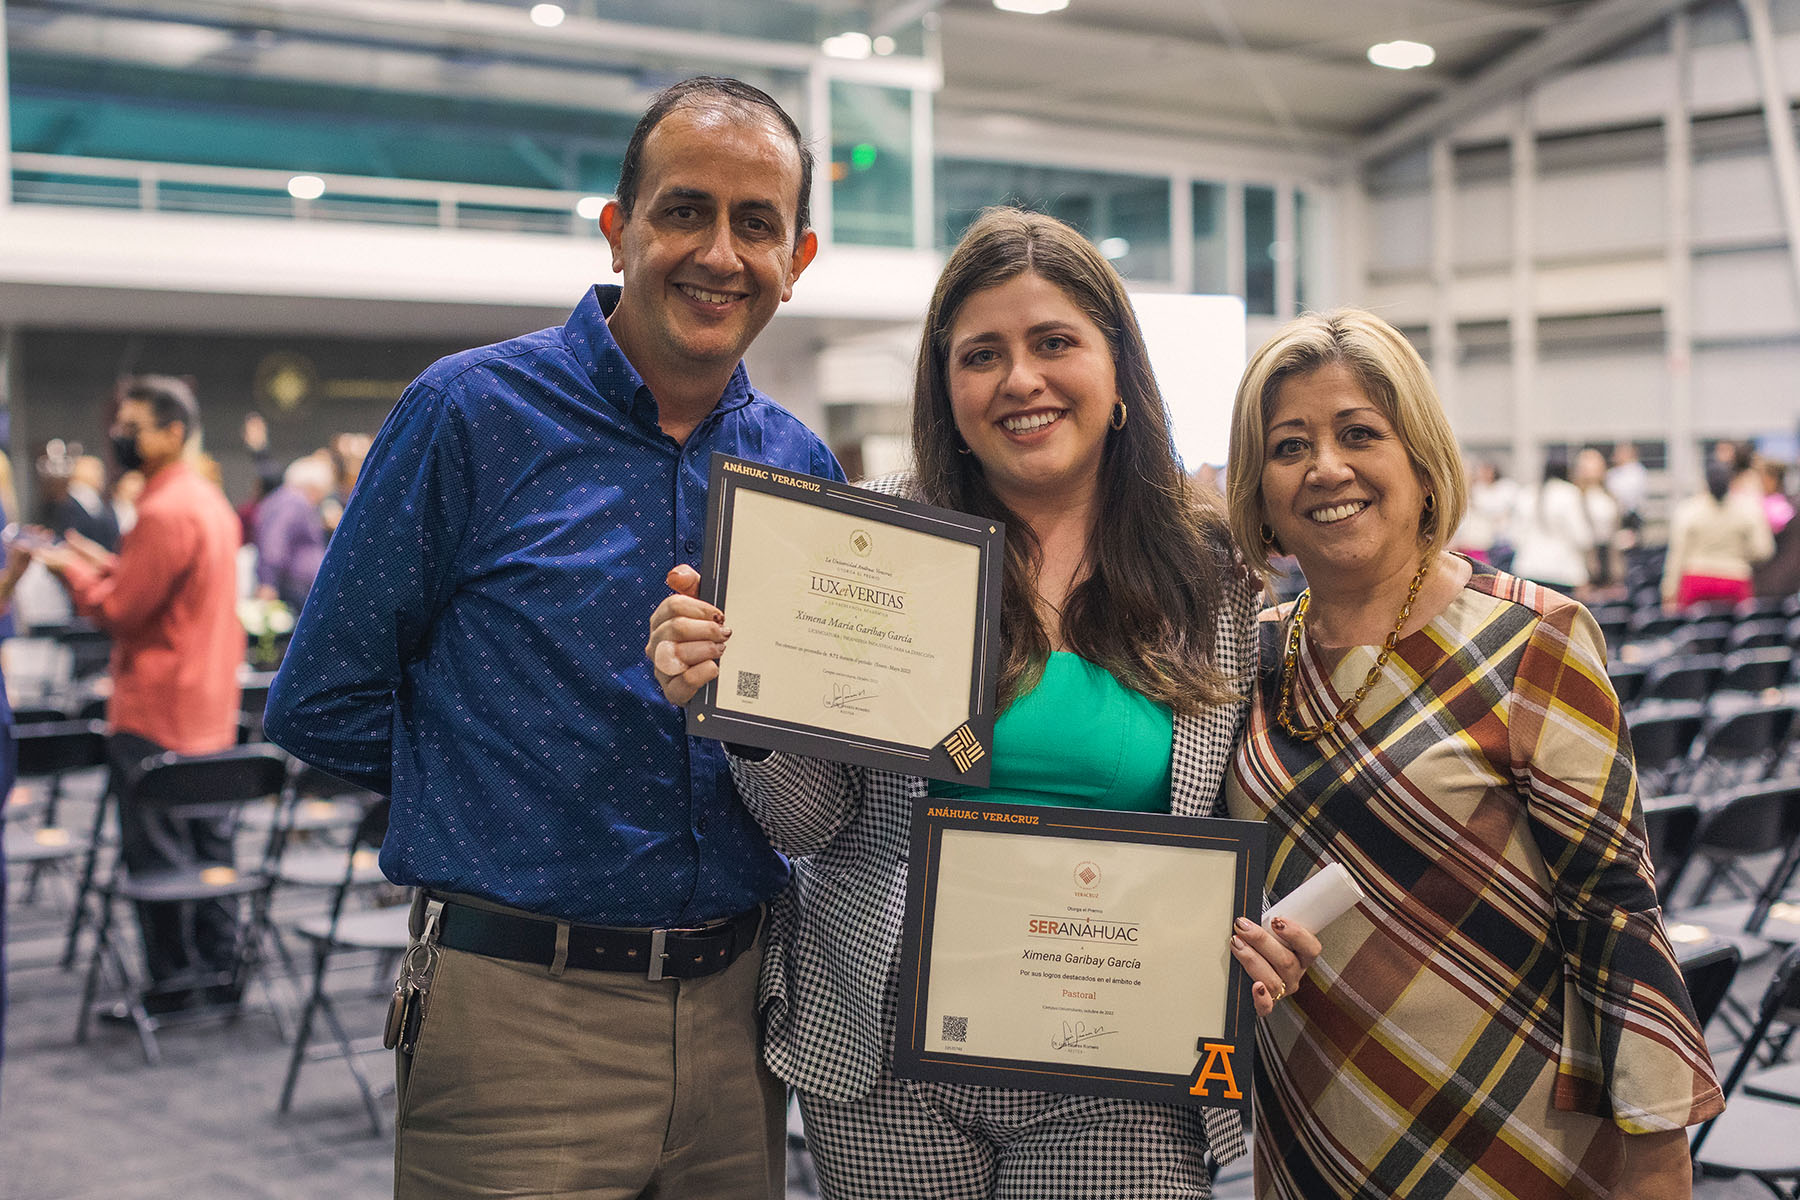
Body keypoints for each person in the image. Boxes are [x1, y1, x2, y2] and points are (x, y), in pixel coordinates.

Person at [648, 207, 1307, 1199]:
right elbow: (810, 819)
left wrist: (1261, 928)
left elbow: (1238, 810)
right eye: (981, 355)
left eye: (1054, 344)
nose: (1020, 381)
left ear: (1118, 367)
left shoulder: (1210, 573)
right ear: (945, 387)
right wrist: (735, 708)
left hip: (1116, 1052)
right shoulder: (875, 547)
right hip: (885, 1051)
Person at [263, 75, 834, 1200]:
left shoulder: (799, 467)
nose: (718, 251)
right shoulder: (470, 413)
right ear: (621, 231)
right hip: (520, 1018)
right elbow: (320, 697)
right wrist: (507, 787)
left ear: (797, 261)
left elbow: (807, 745)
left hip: (739, 1017)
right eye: (684, 210)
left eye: (755, 224)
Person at [1221, 309, 1723, 1200]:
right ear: (1259, 490)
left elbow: (1615, 916)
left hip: (1519, 1137)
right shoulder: (1247, 662)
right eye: (1289, 445)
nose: (1325, 467)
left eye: (1359, 434)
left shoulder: (1537, 639)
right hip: (1312, 1132)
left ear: (1421, 460)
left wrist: (1658, 1154)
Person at [33, 376, 246, 1015]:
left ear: (172, 432)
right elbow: (162, 595)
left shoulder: (161, 508)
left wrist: (75, 574)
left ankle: (172, 986)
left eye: (134, 426)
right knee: (210, 850)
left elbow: (125, 610)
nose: (121, 436)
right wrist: (99, 563)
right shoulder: (206, 499)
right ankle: (218, 971)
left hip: (156, 709)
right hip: (208, 705)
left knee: (155, 855)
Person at [1662, 459, 1774, 610]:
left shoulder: (1688, 510)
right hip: (1735, 579)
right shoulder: (1748, 509)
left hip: (1696, 580)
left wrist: (1669, 590)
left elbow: (1677, 554)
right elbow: (1763, 551)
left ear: (1705, 481)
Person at [251, 452, 332, 611]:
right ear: (312, 486)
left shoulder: (283, 499)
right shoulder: (294, 501)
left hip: (294, 584)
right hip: (295, 587)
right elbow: (274, 540)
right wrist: (268, 582)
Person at [1509, 454, 1595, 594]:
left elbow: (1514, 536)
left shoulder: (1526, 493)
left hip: (1528, 568)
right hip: (1562, 572)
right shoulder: (1569, 493)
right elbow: (1582, 537)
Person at [47, 455, 122, 553]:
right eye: (95, 469)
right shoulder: (66, 505)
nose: (101, 474)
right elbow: (66, 539)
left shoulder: (103, 504)